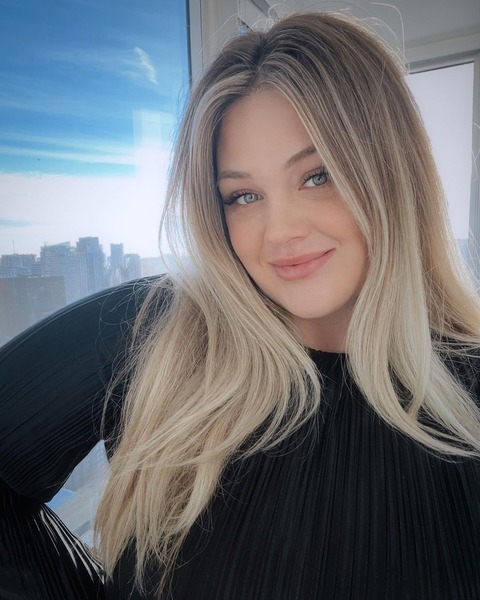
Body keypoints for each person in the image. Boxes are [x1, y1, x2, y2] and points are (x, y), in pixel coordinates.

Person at [1, 9, 480, 600]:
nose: (280, 232)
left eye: (318, 175)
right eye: (244, 196)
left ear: (393, 173)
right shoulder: (157, 335)